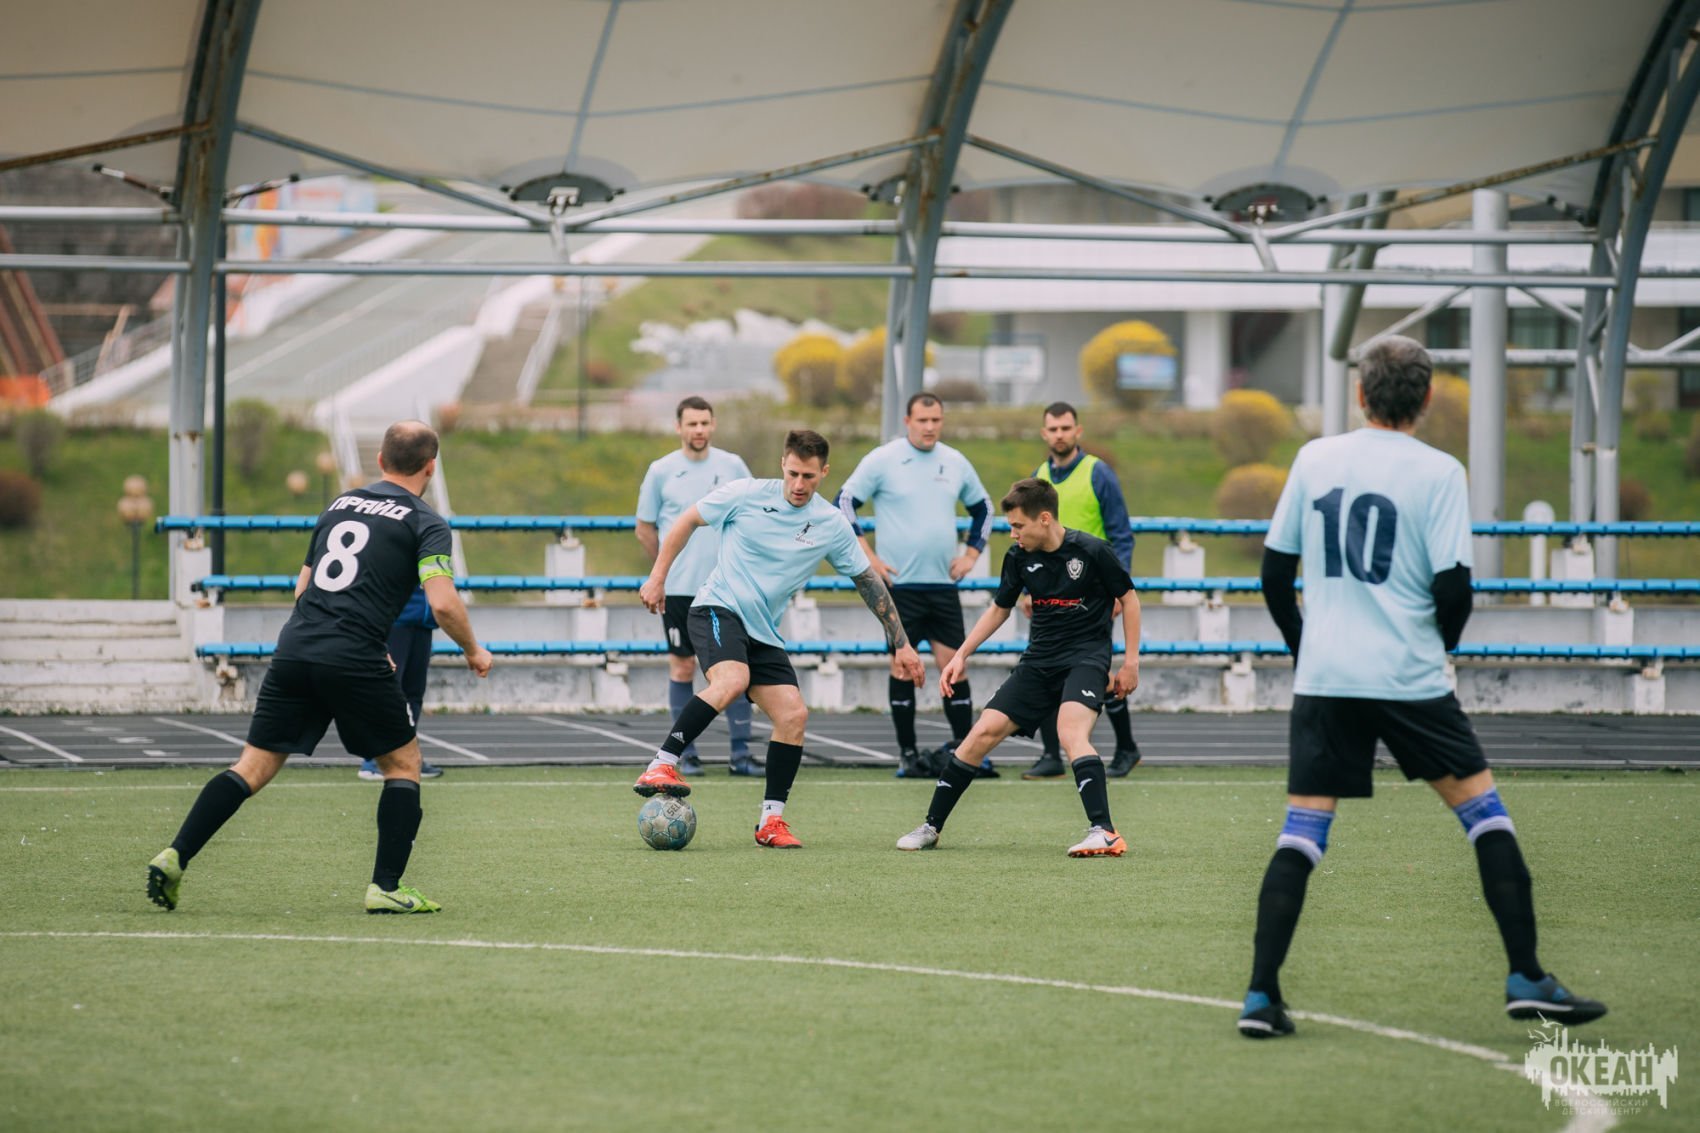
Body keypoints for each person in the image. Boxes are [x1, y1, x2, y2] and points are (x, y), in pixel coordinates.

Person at [1237, 336, 1606, 1039]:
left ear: (1360, 393)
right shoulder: (1440, 471)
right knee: (1486, 817)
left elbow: (1274, 574)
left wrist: (1306, 646)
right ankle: (1526, 975)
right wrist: (1441, 649)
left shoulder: (1315, 458)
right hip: (1408, 675)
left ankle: (1260, 995)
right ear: (1428, 397)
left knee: (1302, 832)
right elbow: (1454, 587)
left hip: (1328, 677)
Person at [145, 420, 494, 915]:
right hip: (354, 655)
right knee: (403, 765)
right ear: (431, 468)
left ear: (380, 460)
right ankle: (386, 887)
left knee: (252, 767)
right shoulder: (426, 521)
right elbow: (442, 603)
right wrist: (474, 650)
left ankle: (175, 854)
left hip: (296, 646)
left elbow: (302, 587)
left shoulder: (340, 505)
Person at [634, 429, 925, 849]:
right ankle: (661, 763)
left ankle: (771, 822)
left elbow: (867, 581)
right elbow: (687, 520)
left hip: (763, 630)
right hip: (717, 607)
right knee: (732, 680)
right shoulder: (745, 494)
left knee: (793, 716)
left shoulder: (830, 523)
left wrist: (901, 643)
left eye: (809, 476)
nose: (799, 484)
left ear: (824, 472)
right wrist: (658, 577)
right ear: (782, 466)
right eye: (793, 474)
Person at [895, 477, 1141, 856]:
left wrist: (1131, 663)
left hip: (1086, 658)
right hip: (1038, 661)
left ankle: (1104, 831)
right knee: (981, 733)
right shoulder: (1018, 557)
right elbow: (999, 609)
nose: (1013, 534)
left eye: (1018, 526)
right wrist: (961, 655)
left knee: (1070, 732)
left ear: (1044, 518)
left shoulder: (1093, 551)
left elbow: (1130, 599)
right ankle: (931, 826)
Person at [836, 393, 993, 780]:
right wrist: (868, 556)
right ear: (908, 421)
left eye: (936, 420)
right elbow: (844, 500)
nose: (930, 426)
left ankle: (966, 753)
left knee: (954, 668)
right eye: (922, 420)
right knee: (903, 668)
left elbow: (984, 508)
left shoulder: (954, 461)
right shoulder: (883, 459)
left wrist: (971, 555)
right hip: (899, 588)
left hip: (942, 587)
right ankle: (907, 754)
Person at [636, 395, 757, 776]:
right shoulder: (661, 470)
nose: (699, 430)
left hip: (726, 589)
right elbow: (644, 528)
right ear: (679, 427)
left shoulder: (733, 465)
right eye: (692, 424)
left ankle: (741, 755)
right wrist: (663, 571)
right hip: (680, 589)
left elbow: (753, 515)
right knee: (682, 666)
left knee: (736, 670)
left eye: (705, 423)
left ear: (713, 424)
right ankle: (685, 754)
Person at [1023, 401, 1142, 780]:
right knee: (1044, 667)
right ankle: (1050, 755)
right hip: (1049, 594)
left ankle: (1126, 748)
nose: (1059, 434)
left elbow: (1121, 535)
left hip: (1092, 596)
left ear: (1078, 431)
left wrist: (1118, 589)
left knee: (1097, 672)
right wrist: (1027, 588)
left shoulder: (1098, 473)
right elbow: (1029, 537)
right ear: (1044, 433)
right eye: (1053, 429)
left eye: (1065, 428)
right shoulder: (1039, 477)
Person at [358, 585, 444, 780]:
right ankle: (373, 759)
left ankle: (408, 757)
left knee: (413, 694)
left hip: (423, 623)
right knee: (388, 692)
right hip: (395, 621)